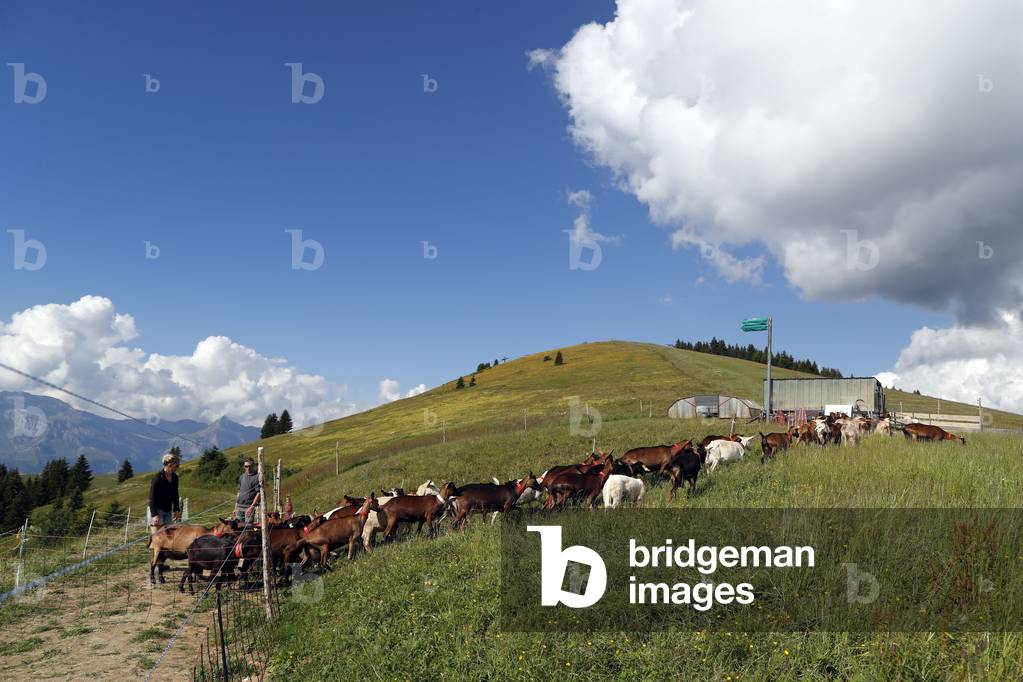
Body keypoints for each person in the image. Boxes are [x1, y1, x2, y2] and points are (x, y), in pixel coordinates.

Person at [149, 453, 181, 529]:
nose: (177, 467)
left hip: (168, 510)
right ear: (169, 464)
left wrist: (176, 509)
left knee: (169, 535)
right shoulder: (157, 479)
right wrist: (154, 515)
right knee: (157, 537)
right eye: (176, 465)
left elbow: (175, 494)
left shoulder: (175, 477)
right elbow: (152, 498)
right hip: (157, 510)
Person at [235, 457, 261, 524]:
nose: (248, 468)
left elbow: (259, 493)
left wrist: (252, 506)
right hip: (239, 506)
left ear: (253, 466)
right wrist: (235, 507)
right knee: (238, 527)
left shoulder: (257, 477)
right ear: (244, 467)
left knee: (248, 528)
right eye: (246, 466)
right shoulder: (241, 477)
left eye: (250, 466)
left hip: (248, 507)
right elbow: (239, 492)